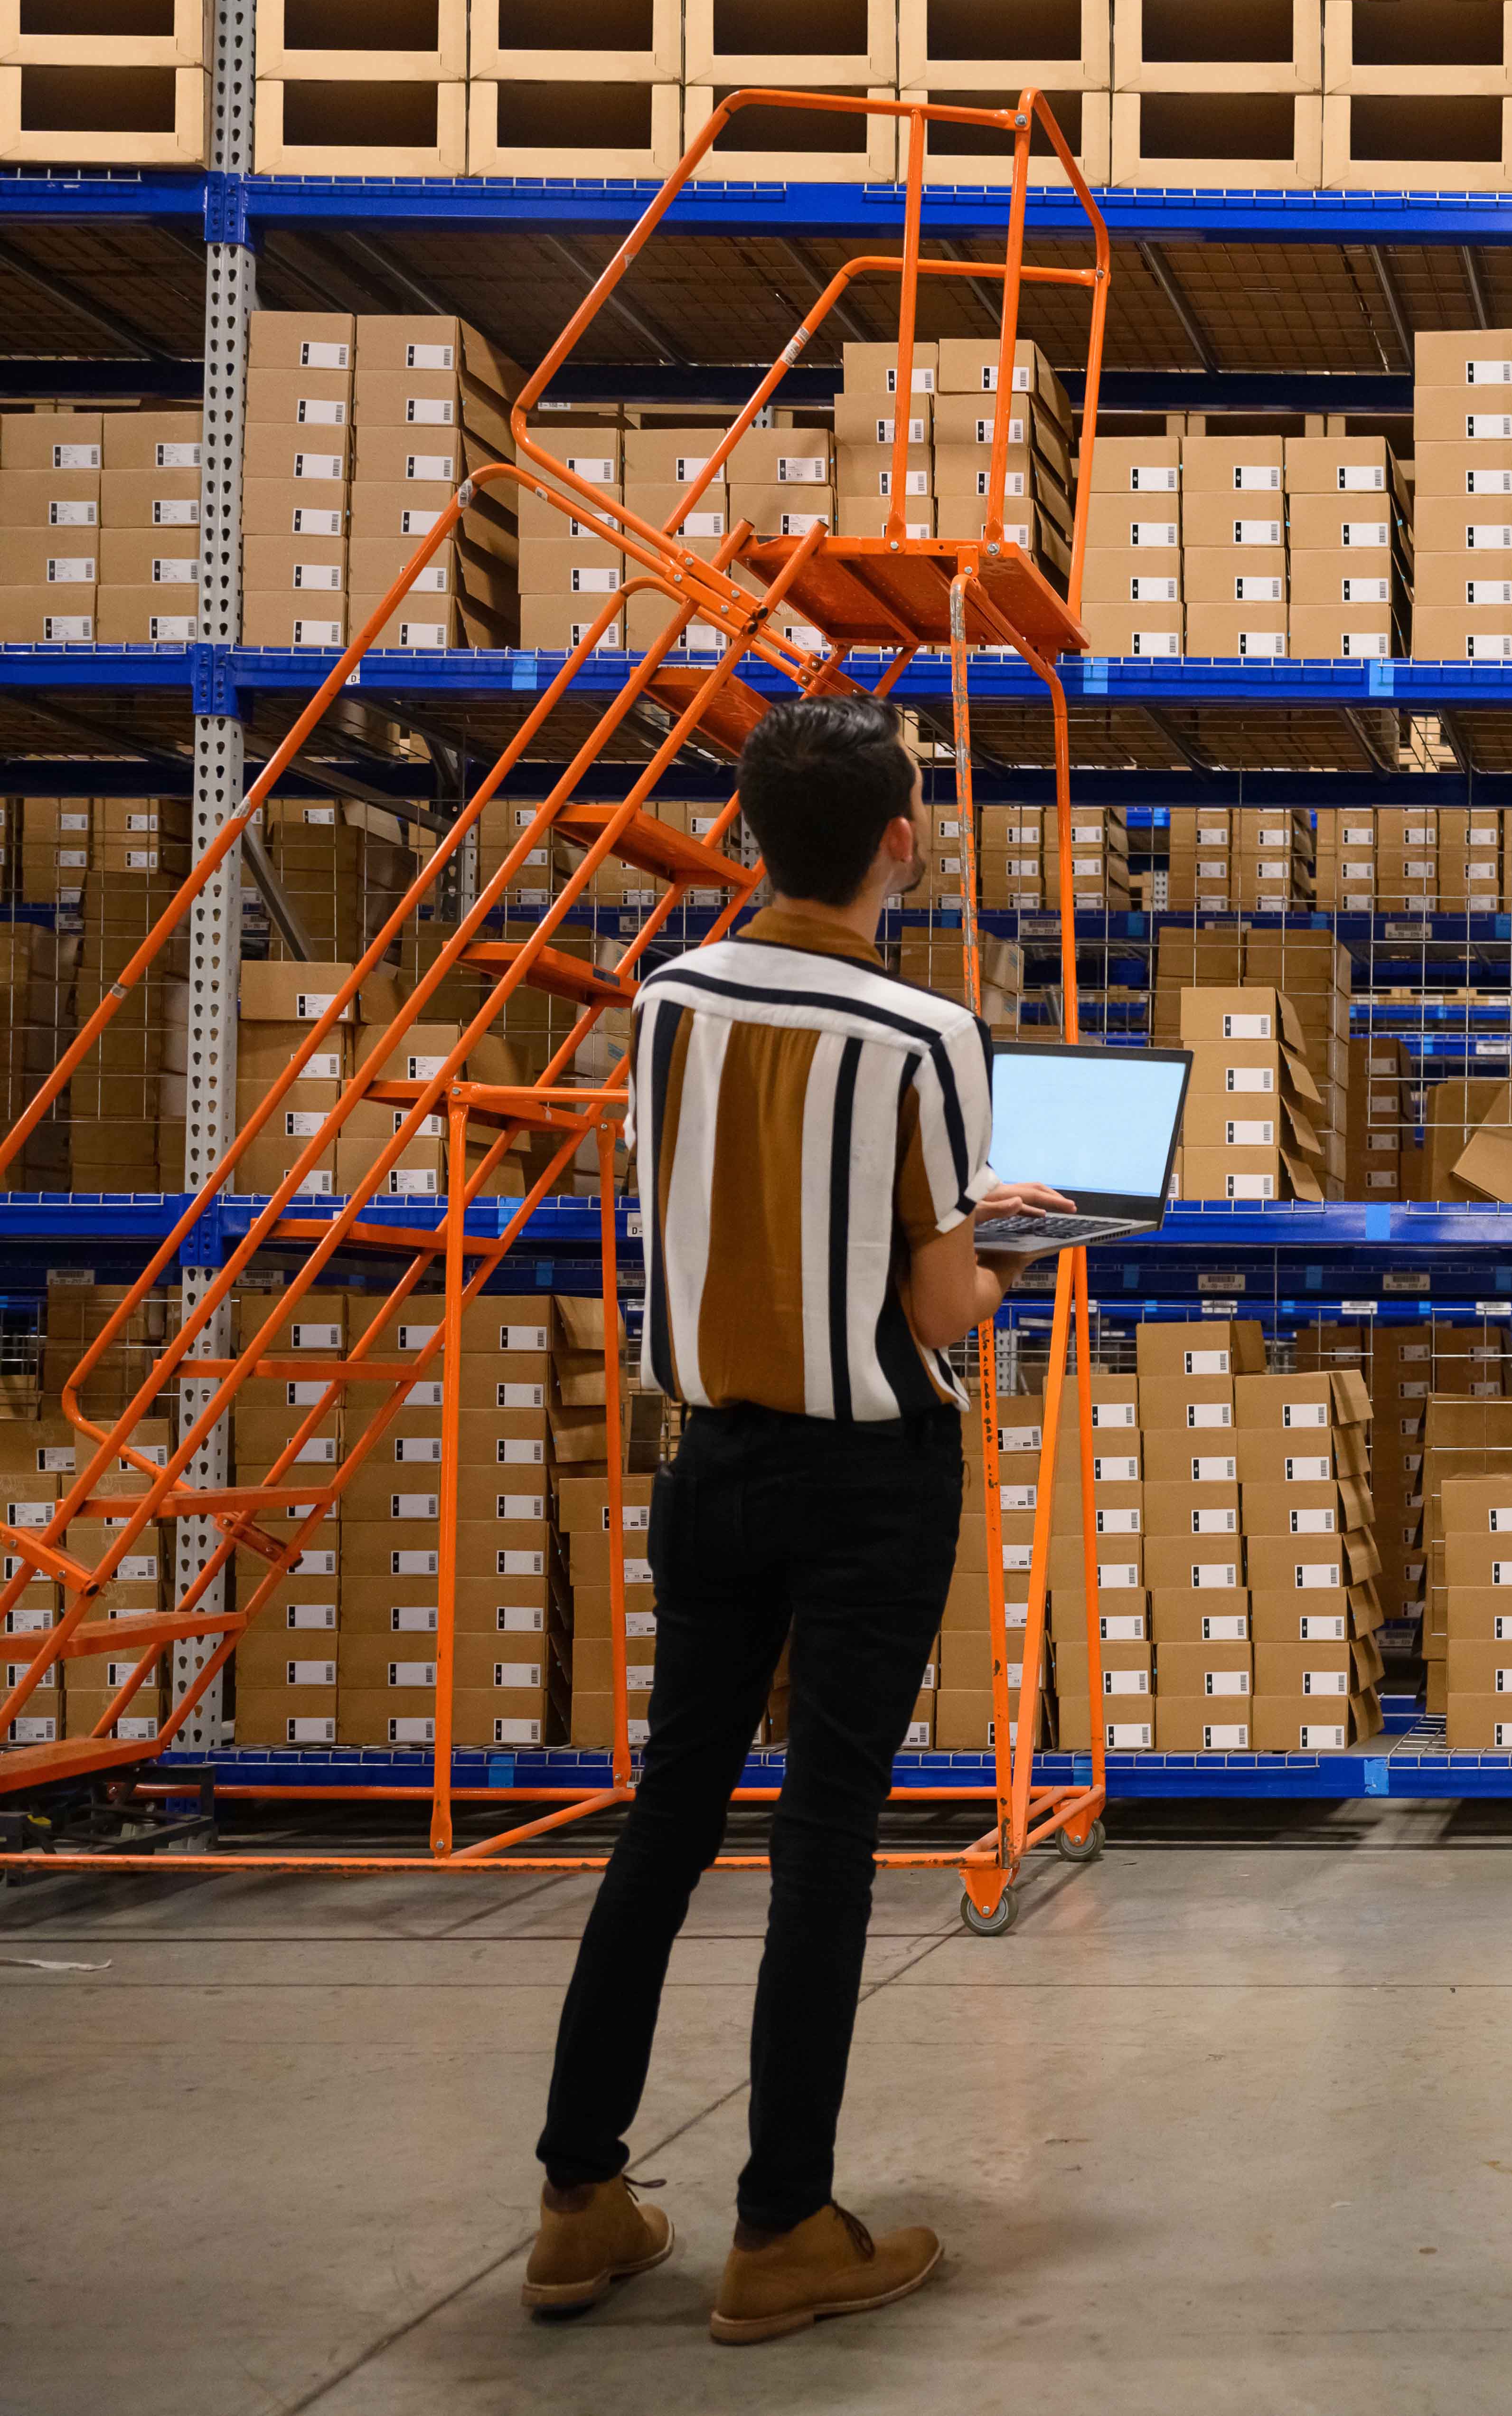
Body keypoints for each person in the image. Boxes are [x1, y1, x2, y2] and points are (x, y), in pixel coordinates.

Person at [520, 695, 1073, 2345]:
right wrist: (1011, 1244)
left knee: (668, 1827)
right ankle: (782, 2229)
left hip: (706, 1463)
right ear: (903, 839)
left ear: (758, 834)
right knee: (824, 1841)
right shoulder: (923, 1039)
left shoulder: (667, 997)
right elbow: (937, 1305)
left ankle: (576, 2201)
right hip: (863, 1482)